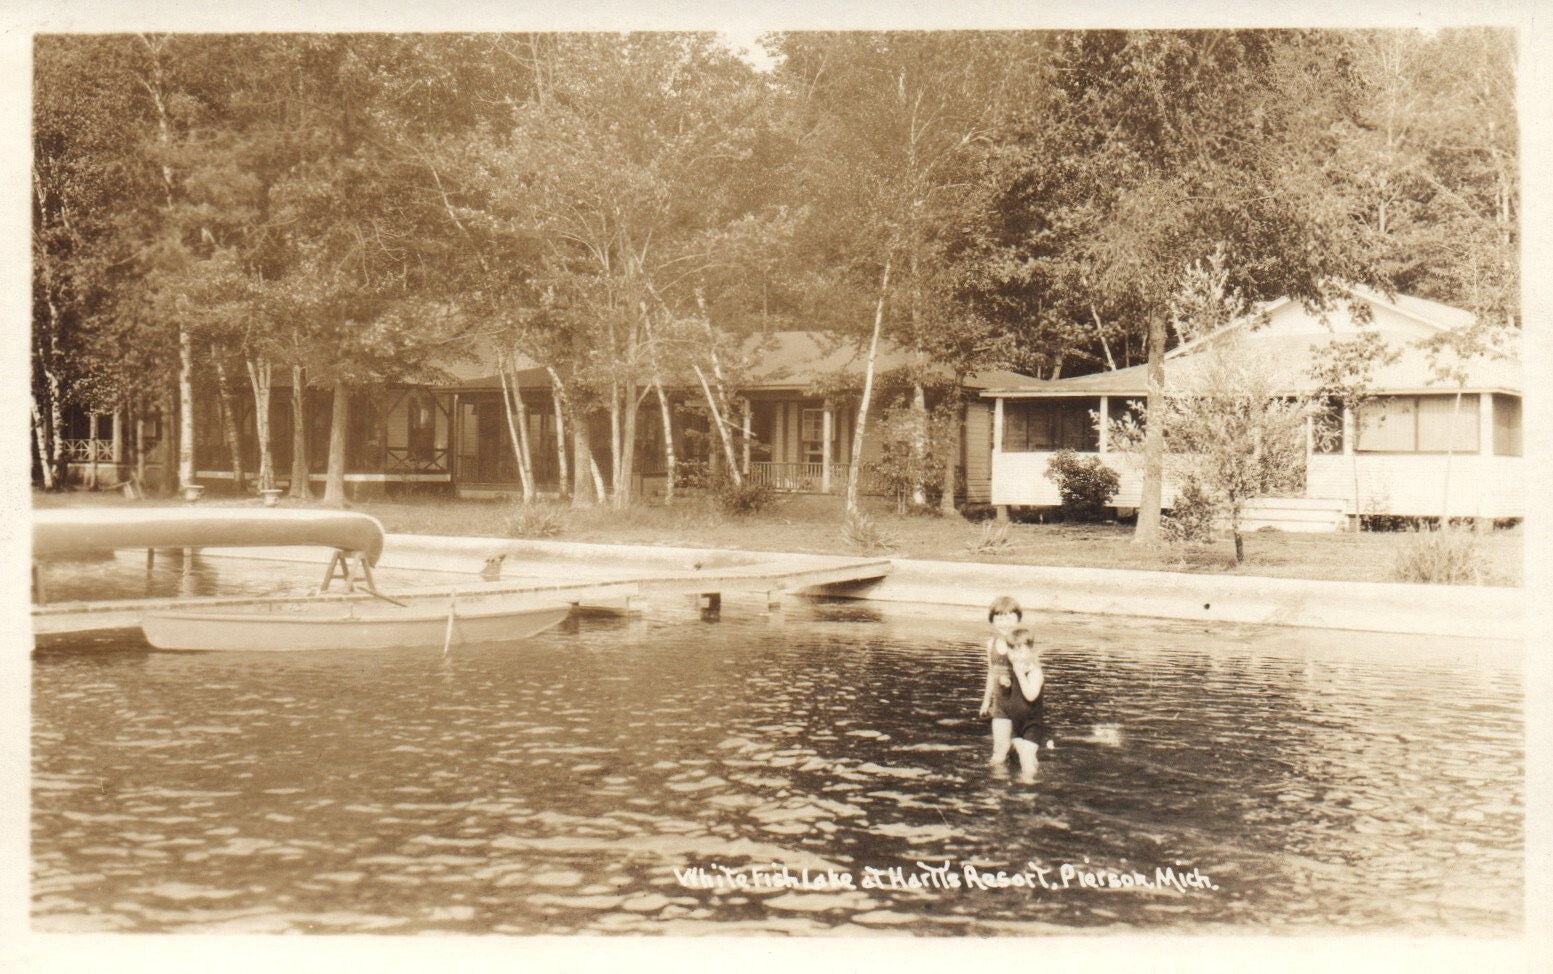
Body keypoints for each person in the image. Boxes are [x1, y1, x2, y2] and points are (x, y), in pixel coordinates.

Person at [978, 596, 1022, 767]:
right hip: (1000, 704)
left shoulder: (1021, 644)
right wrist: (985, 702)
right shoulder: (991, 644)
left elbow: (1032, 674)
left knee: (1020, 753)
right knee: (999, 751)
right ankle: (996, 780)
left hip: (1020, 704)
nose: (1005, 623)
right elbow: (991, 673)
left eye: (1009, 618)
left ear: (1018, 620)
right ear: (993, 621)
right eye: (1000, 619)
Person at [1002, 626, 1046, 782]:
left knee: (1026, 758)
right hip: (1016, 723)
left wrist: (1020, 675)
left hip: (1031, 724)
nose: (1015, 655)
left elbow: (1031, 695)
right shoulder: (1015, 668)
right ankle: (1032, 777)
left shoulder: (1035, 672)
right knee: (1024, 757)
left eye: (1020, 650)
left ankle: (1029, 787)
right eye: (1012, 650)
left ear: (1031, 650)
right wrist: (1007, 684)